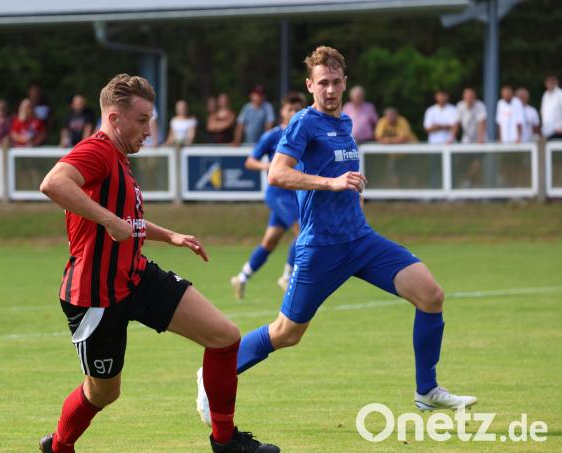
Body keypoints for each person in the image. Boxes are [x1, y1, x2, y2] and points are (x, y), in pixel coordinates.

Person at [196, 46, 477, 427]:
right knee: (286, 333)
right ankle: (210, 374)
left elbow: (345, 181)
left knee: (431, 295)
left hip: (361, 241)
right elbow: (276, 174)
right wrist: (331, 182)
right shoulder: (302, 123)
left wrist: (352, 192)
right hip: (321, 248)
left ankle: (426, 391)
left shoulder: (345, 124)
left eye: (336, 82)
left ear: (345, 83)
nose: (329, 89)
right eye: (322, 83)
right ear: (310, 85)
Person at [38, 73, 279, 453]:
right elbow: (53, 183)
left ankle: (225, 441)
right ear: (114, 119)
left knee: (224, 336)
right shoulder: (98, 150)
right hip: (96, 297)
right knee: (103, 393)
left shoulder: (119, 159)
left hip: (136, 277)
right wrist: (109, 221)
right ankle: (58, 447)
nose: (150, 129)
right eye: (142, 119)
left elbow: (124, 220)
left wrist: (170, 236)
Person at [230, 93, 304, 300]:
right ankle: (287, 276)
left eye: (297, 109)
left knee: (270, 241)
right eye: (290, 109)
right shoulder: (273, 135)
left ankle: (241, 277)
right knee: (303, 230)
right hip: (278, 193)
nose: (293, 113)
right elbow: (250, 161)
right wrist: (269, 166)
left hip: (296, 194)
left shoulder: (304, 134)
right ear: (282, 111)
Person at [541, 75, 562, 140]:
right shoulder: (545, 95)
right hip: (547, 130)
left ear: (556, 83)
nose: (550, 84)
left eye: (552, 82)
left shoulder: (560, 93)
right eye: (549, 82)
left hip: (558, 129)